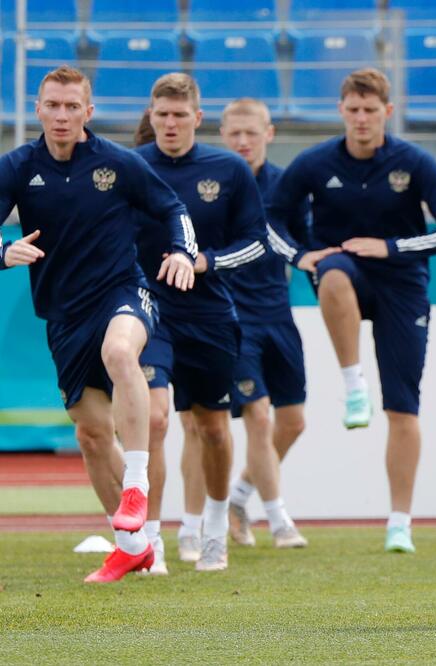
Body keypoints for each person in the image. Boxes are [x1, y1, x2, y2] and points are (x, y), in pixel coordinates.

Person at [0, 65, 196, 582]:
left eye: (72, 106)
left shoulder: (118, 163)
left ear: (88, 111)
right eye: (52, 105)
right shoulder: (18, 167)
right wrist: (3, 251)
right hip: (63, 316)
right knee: (89, 434)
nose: (61, 115)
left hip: (122, 293)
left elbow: (173, 206)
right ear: (37, 108)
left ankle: (137, 486)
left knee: (120, 353)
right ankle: (131, 544)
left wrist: (181, 250)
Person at [268, 68, 436, 553]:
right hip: (344, 272)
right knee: (333, 272)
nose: (361, 119)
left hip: (403, 283)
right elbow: (271, 219)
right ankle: (352, 384)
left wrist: (392, 247)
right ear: (341, 111)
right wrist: (300, 256)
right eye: (353, 110)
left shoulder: (413, 162)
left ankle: (399, 522)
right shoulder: (314, 162)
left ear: (387, 111)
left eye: (370, 110)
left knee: (404, 408)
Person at [135, 73, 267, 573]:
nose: (169, 123)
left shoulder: (229, 170)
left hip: (209, 313)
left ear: (197, 118)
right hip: (148, 310)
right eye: (161, 114)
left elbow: (256, 243)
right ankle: (152, 542)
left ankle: (213, 528)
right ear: (150, 115)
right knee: (153, 419)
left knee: (212, 428)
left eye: (178, 115)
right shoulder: (131, 167)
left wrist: (203, 262)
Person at [216, 97, 315, 549]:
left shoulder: (285, 185)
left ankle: (238, 498)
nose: (242, 142)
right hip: (233, 317)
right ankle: (278, 521)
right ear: (221, 134)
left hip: (278, 312)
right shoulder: (212, 184)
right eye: (234, 133)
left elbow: (308, 244)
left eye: (251, 133)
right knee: (257, 416)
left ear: (268, 134)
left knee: (292, 422)